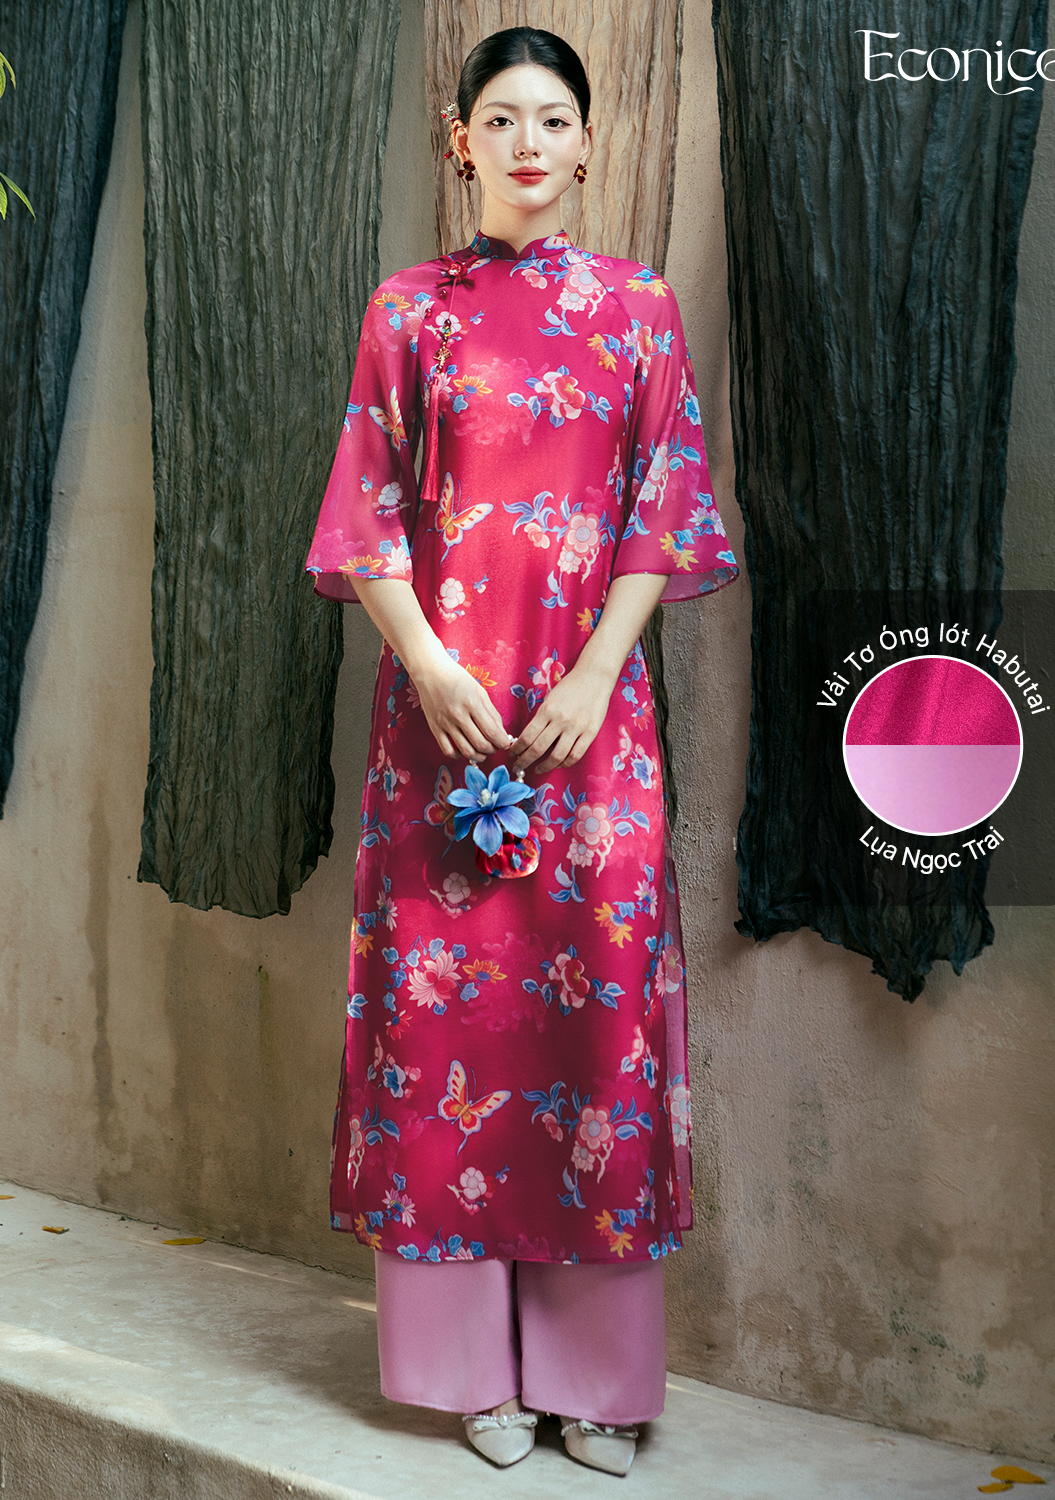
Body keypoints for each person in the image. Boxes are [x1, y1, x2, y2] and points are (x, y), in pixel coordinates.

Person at [305, 26, 737, 1477]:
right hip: (440, 730)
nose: (530, 142)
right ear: (462, 140)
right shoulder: (406, 309)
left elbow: (664, 509)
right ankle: (465, 1374)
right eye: (502, 118)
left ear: (587, 140)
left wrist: (602, 673)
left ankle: (598, 1384)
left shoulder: (638, 308)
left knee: (593, 1032)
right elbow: (364, 513)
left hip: (590, 732)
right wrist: (428, 669)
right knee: (446, 1035)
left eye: (554, 118)